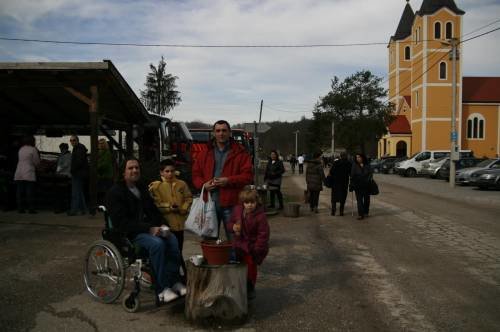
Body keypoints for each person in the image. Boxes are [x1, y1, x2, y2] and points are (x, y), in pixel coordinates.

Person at [106, 158, 186, 303]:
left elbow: (153, 211)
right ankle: (162, 290)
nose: (135, 170)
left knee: (172, 239)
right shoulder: (115, 192)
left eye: (137, 167)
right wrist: (149, 228)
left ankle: (173, 280)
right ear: (123, 172)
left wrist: (163, 225)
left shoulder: (141, 188)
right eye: (130, 168)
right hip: (129, 234)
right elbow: (121, 223)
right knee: (157, 244)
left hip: (146, 229)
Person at [192, 120, 253, 239]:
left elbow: (247, 176)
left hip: (232, 203)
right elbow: (195, 174)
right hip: (209, 203)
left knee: (235, 238)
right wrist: (203, 185)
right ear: (214, 133)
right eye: (218, 131)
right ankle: (211, 258)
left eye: (224, 130)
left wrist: (228, 180)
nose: (221, 133)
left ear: (229, 132)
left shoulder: (240, 152)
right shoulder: (204, 152)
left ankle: (233, 258)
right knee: (208, 239)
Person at [149, 159, 193, 278]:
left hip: (179, 224)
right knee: (169, 252)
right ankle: (167, 275)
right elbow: (156, 204)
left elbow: (189, 198)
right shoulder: (156, 187)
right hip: (166, 225)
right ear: (161, 172)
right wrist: (169, 206)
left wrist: (183, 208)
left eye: (172, 171)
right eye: (167, 171)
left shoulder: (181, 184)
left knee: (178, 250)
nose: (170, 174)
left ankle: (177, 275)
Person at [227, 188, 269, 300]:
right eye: (247, 203)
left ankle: (250, 287)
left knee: (250, 267)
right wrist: (233, 227)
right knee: (237, 266)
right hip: (239, 244)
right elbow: (229, 223)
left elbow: (263, 235)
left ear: (256, 202)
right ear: (242, 203)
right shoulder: (237, 210)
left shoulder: (261, 216)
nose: (249, 205)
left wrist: (257, 249)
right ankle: (238, 287)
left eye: (252, 202)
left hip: (252, 247)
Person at [13, 135, 40, 213]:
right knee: (29, 192)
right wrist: (38, 166)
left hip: (19, 172)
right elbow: (36, 162)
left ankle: (20, 208)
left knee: (19, 192)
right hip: (29, 173)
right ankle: (31, 209)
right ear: (32, 141)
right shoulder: (33, 149)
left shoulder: (21, 149)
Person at [68, 135, 89, 216]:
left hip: (78, 173)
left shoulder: (79, 149)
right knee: (79, 192)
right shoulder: (79, 148)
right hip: (80, 173)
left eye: (73, 140)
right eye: (71, 140)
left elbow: (78, 162)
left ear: (77, 140)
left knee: (75, 192)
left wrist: (72, 170)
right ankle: (83, 209)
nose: (72, 142)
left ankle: (74, 210)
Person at [328, 152, 351, 216]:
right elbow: (350, 173)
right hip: (344, 182)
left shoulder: (336, 163)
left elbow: (331, 171)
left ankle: (333, 210)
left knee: (334, 197)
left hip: (335, 182)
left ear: (340, 156)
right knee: (343, 197)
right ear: (346, 156)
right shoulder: (348, 163)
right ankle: (341, 211)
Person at [350, 153, 372, 220]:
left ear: (362, 158)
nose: (358, 158)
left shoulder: (367, 165)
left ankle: (366, 212)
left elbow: (370, 174)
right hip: (358, 185)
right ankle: (360, 214)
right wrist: (351, 184)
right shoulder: (354, 165)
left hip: (366, 185)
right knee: (359, 200)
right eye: (357, 157)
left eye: (359, 157)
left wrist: (368, 180)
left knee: (367, 200)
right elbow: (352, 175)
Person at [54, 143, 71, 213]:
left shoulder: (67, 156)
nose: (60, 150)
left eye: (61, 148)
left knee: (61, 193)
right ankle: (61, 207)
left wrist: (57, 170)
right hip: (62, 176)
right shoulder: (63, 155)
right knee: (61, 193)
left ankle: (61, 208)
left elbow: (65, 165)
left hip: (65, 176)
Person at [97, 138, 114, 205]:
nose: (100, 145)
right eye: (99, 143)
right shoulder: (99, 153)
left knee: (106, 192)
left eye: (102, 143)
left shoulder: (107, 153)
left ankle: (106, 205)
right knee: (102, 192)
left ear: (105, 144)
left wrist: (96, 167)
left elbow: (105, 164)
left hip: (106, 175)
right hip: (101, 176)